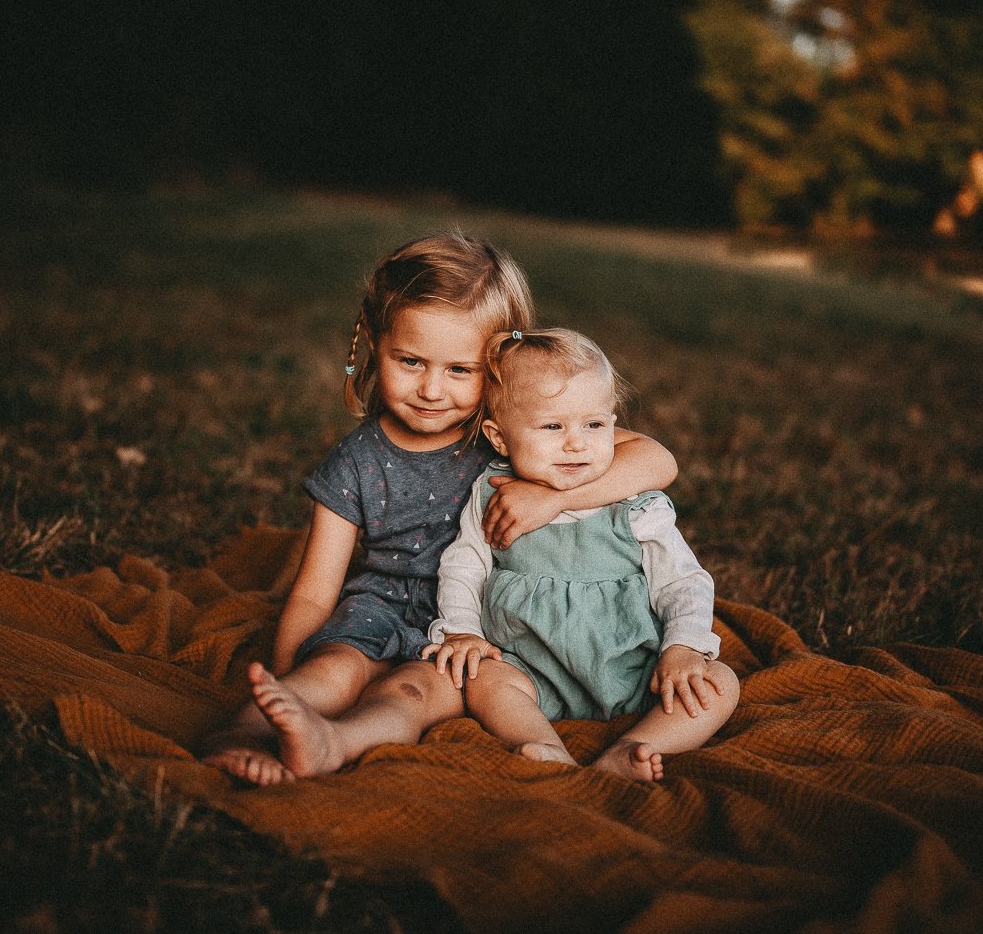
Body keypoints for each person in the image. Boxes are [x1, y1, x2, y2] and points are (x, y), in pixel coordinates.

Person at [200, 233, 680, 785]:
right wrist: (287, 673)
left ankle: (332, 743)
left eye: (460, 370)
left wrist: (555, 495)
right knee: (333, 672)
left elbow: (656, 461)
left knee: (410, 694)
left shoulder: (514, 436)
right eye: (409, 360)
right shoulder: (357, 462)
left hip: (472, 629)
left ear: (499, 367)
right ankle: (245, 732)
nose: (431, 389)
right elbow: (314, 591)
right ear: (375, 344)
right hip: (377, 611)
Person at [424, 328, 738, 783]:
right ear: (499, 438)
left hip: (635, 668)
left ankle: (638, 745)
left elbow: (682, 581)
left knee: (718, 683)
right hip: (531, 666)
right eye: (553, 426)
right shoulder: (493, 494)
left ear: (612, 425)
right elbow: (464, 566)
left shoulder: (635, 502)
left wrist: (683, 649)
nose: (576, 443)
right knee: (483, 681)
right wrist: (461, 633)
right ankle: (545, 745)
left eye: (593, 425)